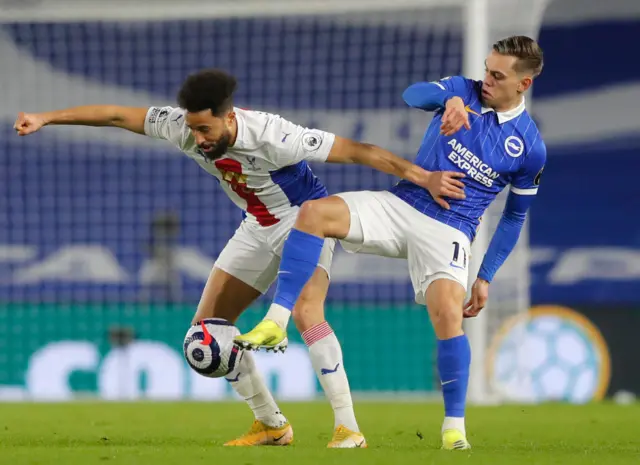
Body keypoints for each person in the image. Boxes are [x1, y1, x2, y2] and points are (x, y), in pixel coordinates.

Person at [13, 68, 465, 448]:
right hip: (256, 225)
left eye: (205, 129)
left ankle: (348, 428)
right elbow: (114, 114)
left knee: (307, 312)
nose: (197, 139)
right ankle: (271, 424)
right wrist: (46, 118)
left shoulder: (274, 135)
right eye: (192, 128)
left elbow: (357, 151)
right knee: (204, 340)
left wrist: (421, 177)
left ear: (230, 118)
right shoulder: (182, 126)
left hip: (302, 220)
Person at [234, 35, 547, 451]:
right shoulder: (463, 89)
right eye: (486, 68)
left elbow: (514, 216)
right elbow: (412, 94)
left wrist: (485, 276)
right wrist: (449, 101)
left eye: (497, 75)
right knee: (314, 213)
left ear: (522, 84)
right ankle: (277, 319)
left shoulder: (530, 147)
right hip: (402, 203)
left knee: (448, 313)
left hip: (451, 228)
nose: (485, 79)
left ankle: (454, 429)